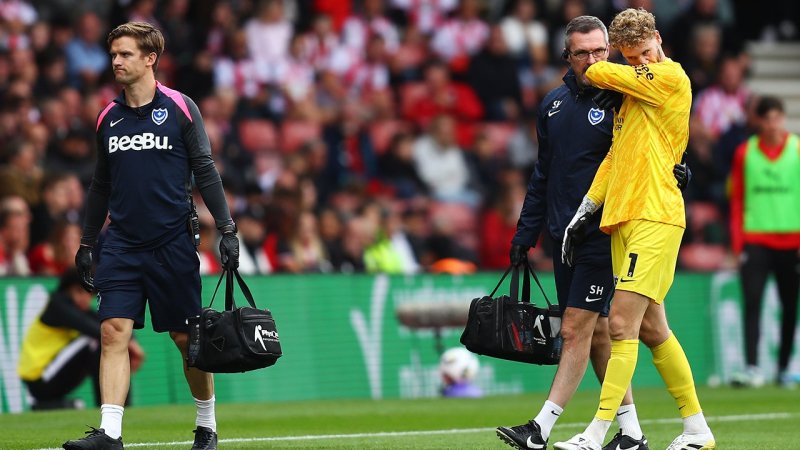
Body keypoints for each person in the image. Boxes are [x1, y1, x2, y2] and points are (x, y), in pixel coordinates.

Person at [496, 15, 688, 450]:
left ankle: (540, 428)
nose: (592, 59)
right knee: (610, 333)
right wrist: (526, 233)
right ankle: (635, 432)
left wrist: (678, 170)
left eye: (600, 51)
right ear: (568, 56)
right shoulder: (553, 105)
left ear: (611, 51)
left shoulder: (627, 93)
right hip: (563, 232)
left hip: (608, 229)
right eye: (582, 52)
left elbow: (661, 139)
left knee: (575, 329)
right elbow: (544, 174)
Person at [64, 22, 239, 450]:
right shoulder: (108, 116)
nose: (116, 61)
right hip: (121, 243)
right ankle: (110, 433)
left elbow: (205, 170)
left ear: (150, 59)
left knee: (187, 339)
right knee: (113, 331)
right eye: (113, 55)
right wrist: (88, 242)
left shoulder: (180, 107)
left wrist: (228, 228)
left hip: (172, 242)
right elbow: (100, 186)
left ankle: (206, 424)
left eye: (125, 54)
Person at [555, 9, 715, 450]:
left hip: (655, 214)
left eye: (645, 53)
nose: (640, 63)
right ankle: (697, 429)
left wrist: (599, 63)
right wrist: (585, 209)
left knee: (620, 324)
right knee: (652, 330)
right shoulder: (631, 93)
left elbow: (599, 71)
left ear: (659, 40)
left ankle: (600, 432)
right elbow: (615, 158)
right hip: (623, 216)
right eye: (633, 58)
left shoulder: (671, 78)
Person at [729, 96, 800, 389]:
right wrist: (737, 245)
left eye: (777, 118)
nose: (773, 124)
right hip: (755, 240)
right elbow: (737, 200)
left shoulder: (797, 149)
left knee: (789, 307)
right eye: (767, 119)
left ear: (783, 118)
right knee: (753, 304)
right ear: (759, 121)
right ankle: (753, 367)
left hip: (791, 242)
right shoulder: (745, 153)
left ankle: (784, 369)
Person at [18, 269, 145, 411]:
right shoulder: (57, 305)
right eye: (81, 291)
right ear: (70, 289)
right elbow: (93, 328)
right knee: (96, 342)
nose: (86, 299)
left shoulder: (76, 309)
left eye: (90, 294)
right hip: (39, 380)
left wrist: (131, 340)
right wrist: (129, 344)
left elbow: (111, 325)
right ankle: (110, 407)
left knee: (107, 338)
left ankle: (118, 406)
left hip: (51, 379)